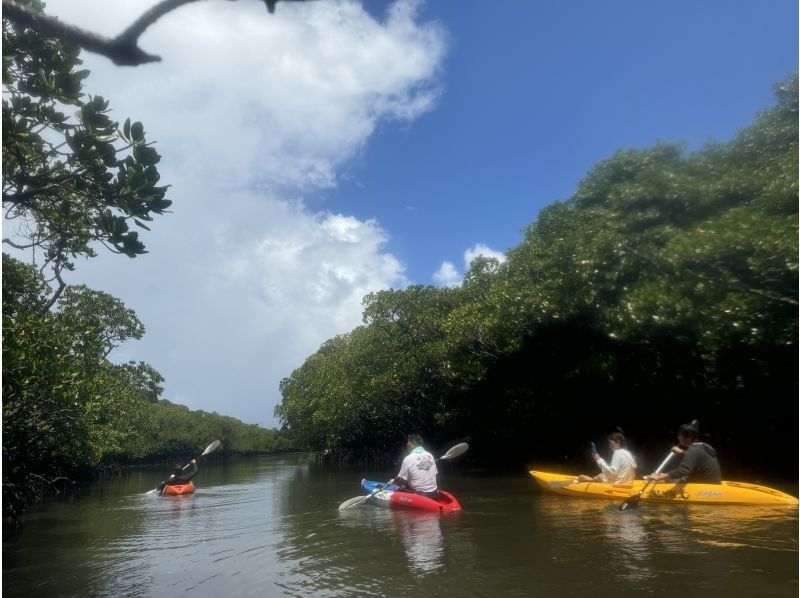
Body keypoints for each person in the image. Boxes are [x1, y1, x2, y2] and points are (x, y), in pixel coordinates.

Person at [650, 421, 722, 484]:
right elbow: (697, 458)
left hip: (705, 487)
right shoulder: (702, 446)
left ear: (688, 438)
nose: (678, 437)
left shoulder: (692, 450)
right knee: (670, 479)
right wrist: (682, 452)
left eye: (679, 435)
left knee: (665, 480)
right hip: (711, 482)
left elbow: (683, 470)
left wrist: (661, 476)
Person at [388, 434, 438, 498]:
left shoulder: (408, 458)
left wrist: (393, 481)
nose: (407, 444)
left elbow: (399, 480)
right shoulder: (430, 455)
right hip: (434, 493)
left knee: (402, 486)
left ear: (414, 442)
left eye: (409, 441)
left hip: (420, 494)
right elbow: (434, 473)